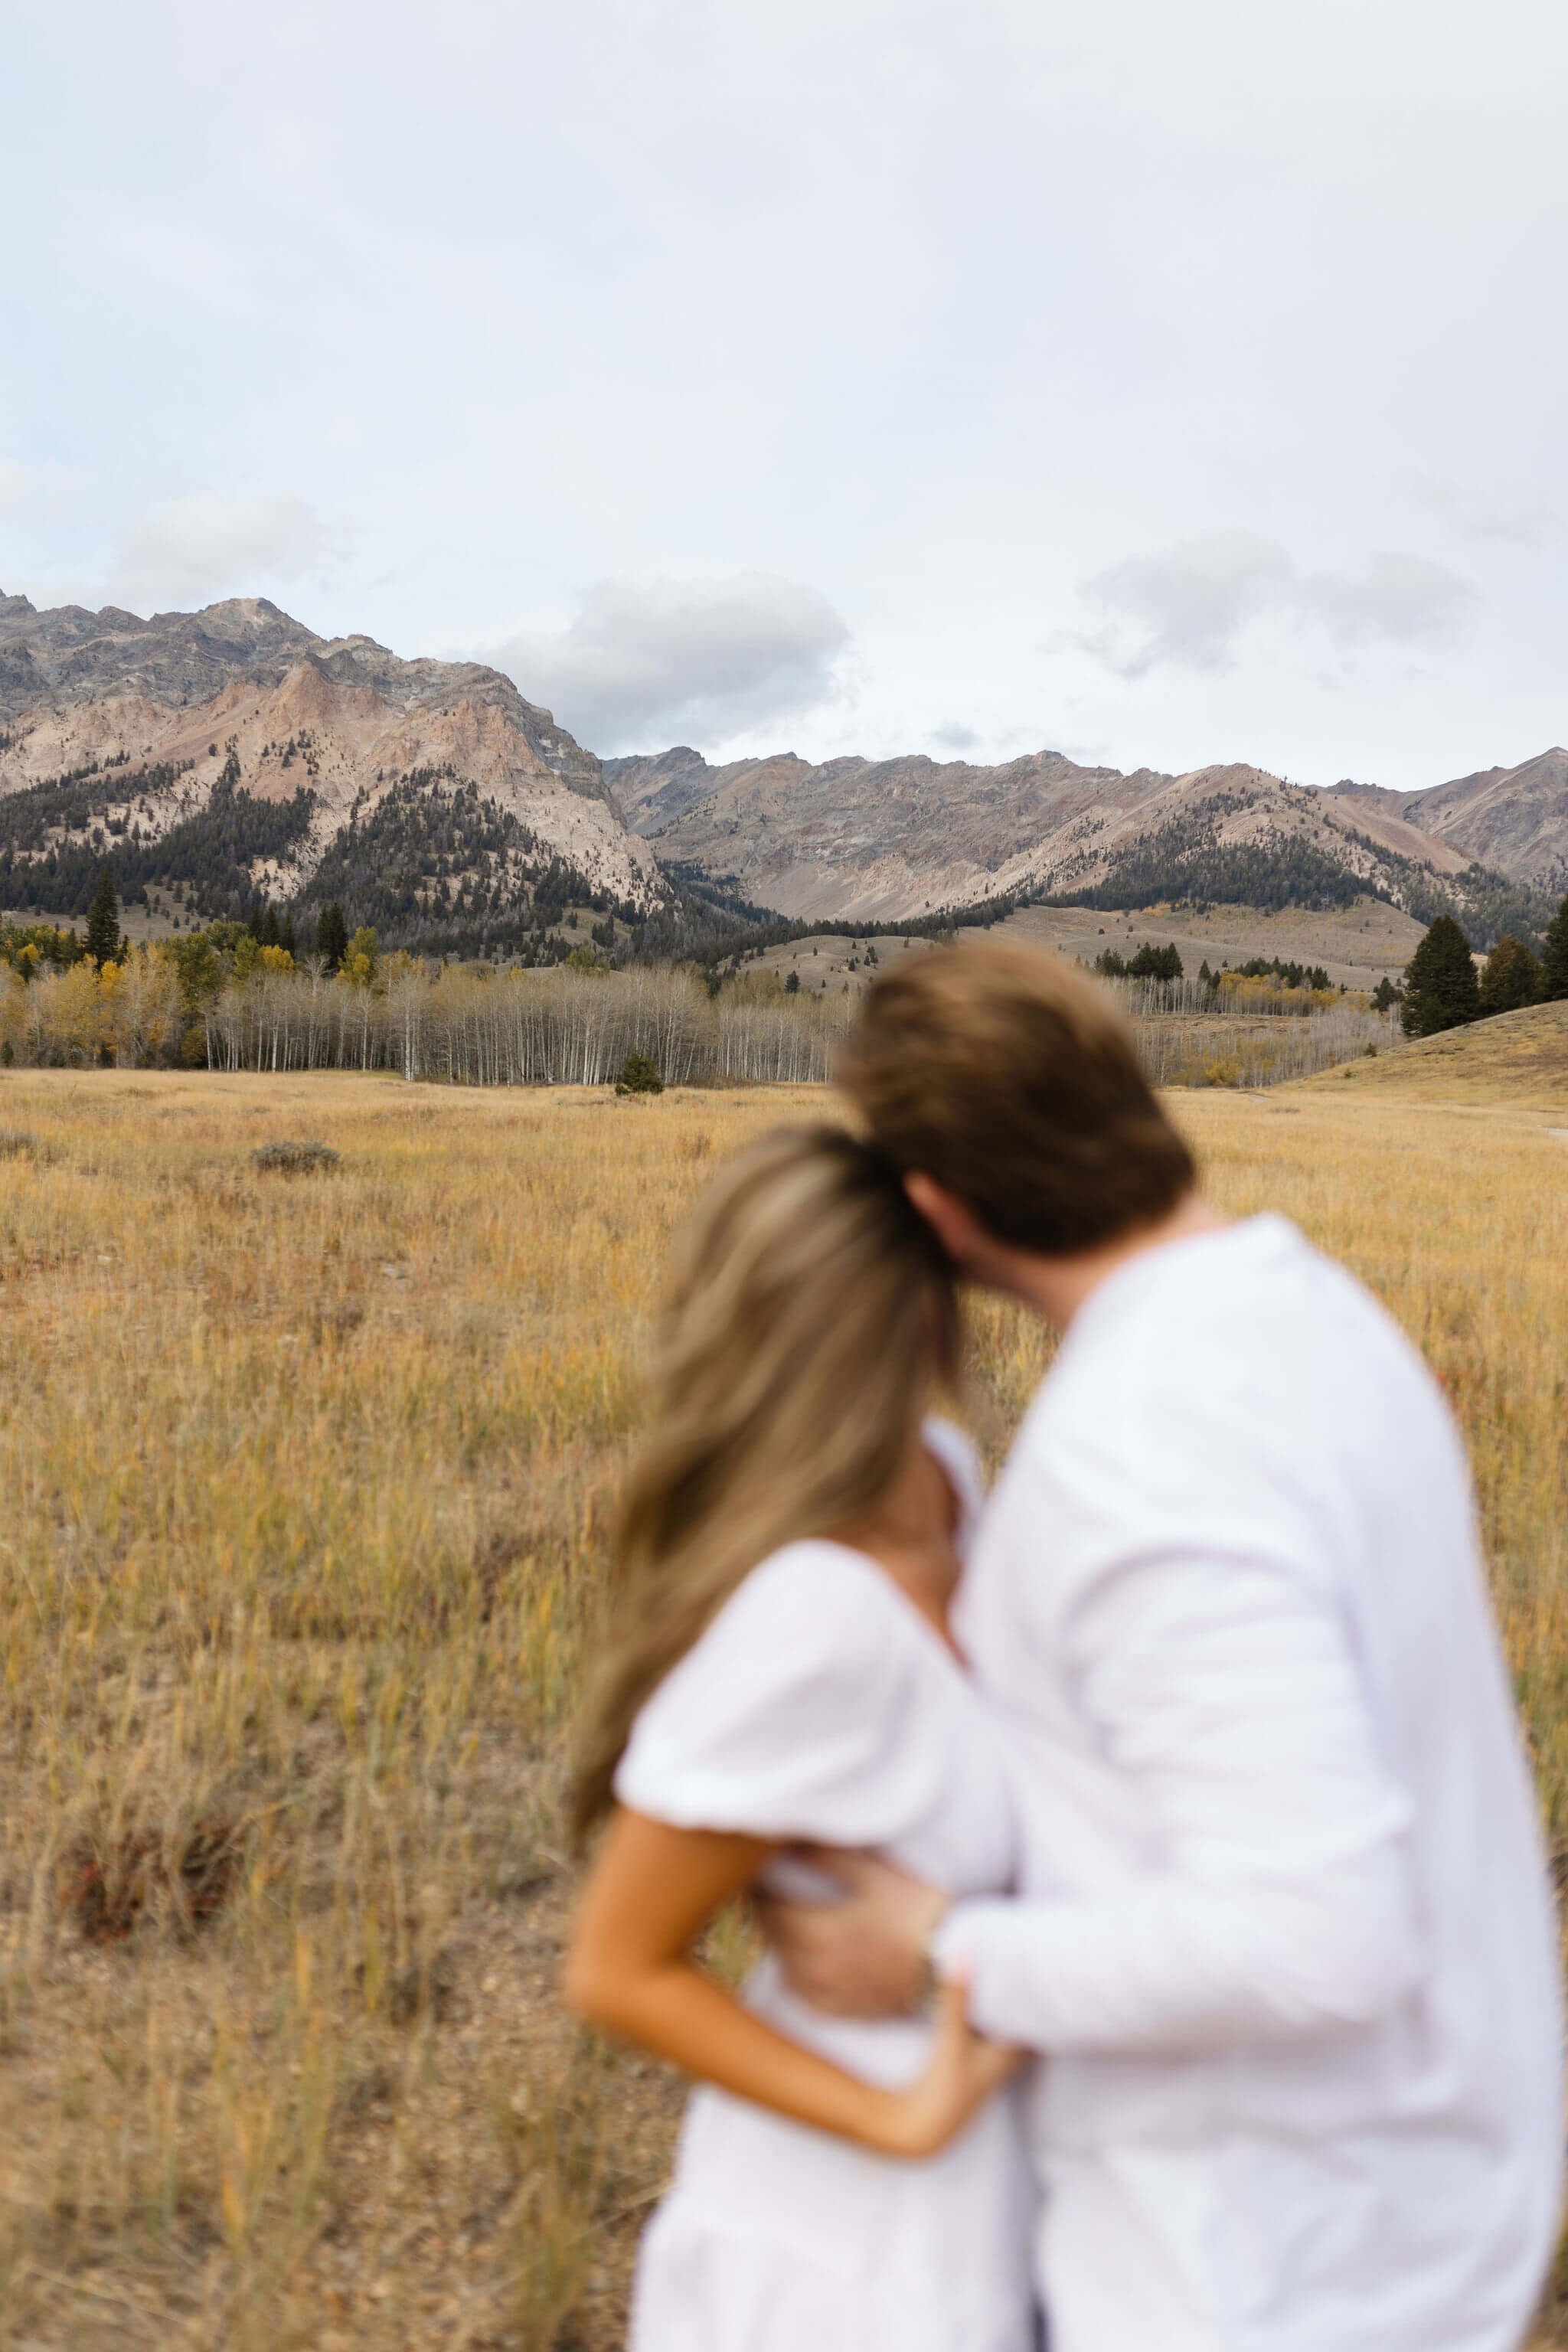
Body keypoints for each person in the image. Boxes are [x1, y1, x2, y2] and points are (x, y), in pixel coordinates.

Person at [763, 942, 1563, 2352]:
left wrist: (946, 1947)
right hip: (1420, 2199)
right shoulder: (1312, 1312)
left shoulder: (1141, 1448)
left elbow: (1320, 1938)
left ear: (937, 1208)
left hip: (1267, 2269)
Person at [564, 1124, 1037, 2352]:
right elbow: (616, 1968)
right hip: (842, 2249)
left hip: (986, 2202)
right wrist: (900, 2122)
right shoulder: (815, 1619)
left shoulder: (945, 1479)